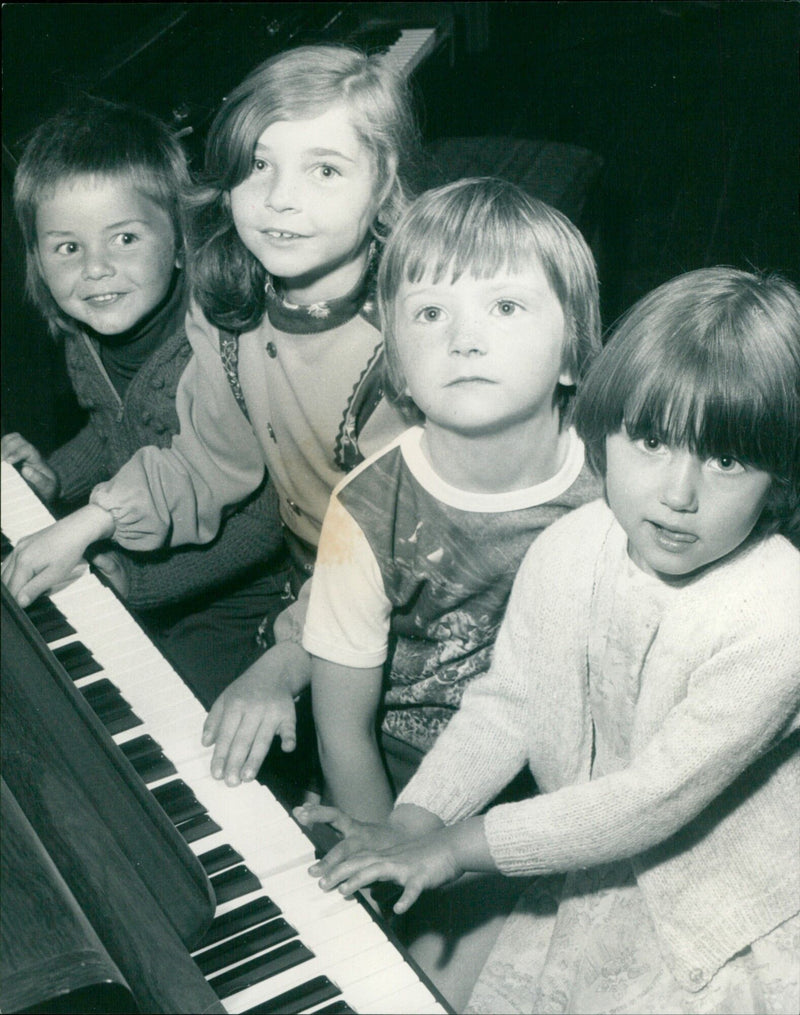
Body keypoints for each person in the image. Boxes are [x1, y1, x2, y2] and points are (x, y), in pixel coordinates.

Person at [297, 267, 800, 1013]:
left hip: (717, 910)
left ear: (780, 478)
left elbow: (648, 799)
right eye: (653, 440)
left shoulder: (779, 611)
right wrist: (416, 818)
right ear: (605, 427)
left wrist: (456, 848)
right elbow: (509, 704)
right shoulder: (573, 542)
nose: (679, 492)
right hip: (583, 862)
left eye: (726, 459)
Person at [1, 45, 419, 791]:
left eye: (323, 169)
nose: (280, 199)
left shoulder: (406, 355)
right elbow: (208, 462)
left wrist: (281, 661)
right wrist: (86, 518)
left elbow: (384, 557)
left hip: (410, 603)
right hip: (310, 578)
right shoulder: (230, 313)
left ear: (383, 181)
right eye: (258, 166)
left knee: (347, 786)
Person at [303, 177, 601, 824]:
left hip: (572, 780)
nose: (464, 338)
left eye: (506, 307)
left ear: (572, 353)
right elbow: (343, 734)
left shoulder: (618, 482)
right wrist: (388, 865)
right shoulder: (366, 510)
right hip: (410, 785)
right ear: (399, 366)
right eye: (431, 313)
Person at [2, 96, 289, 707]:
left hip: (250, 591)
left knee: (169, 713)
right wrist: (55, 478)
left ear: (181, 241)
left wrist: (130, 580)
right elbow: (115, 432)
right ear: (38, 262)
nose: (97, 270)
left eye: (125, 238)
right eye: (67, 248)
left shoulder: (212, 347)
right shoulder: (87, 336)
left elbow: (265, 526)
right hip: (142, 547)